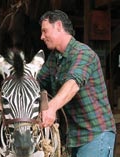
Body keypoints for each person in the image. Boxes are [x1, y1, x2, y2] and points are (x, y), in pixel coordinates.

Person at [37, 10, 116, 157]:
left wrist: (51, 107)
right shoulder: (54, 58)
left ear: (59, 26)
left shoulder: (83, 53)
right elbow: (38, 83)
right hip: (75, 137)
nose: (42, 37)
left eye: (44, 31)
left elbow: (73, 84)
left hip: (95, 134)